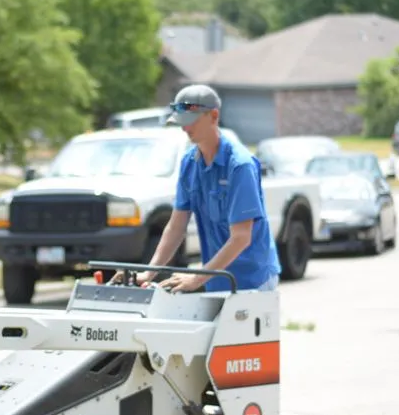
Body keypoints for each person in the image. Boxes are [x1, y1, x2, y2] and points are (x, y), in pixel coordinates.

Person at [116, 84, 281, 293]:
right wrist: (148, 273)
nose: (185, 128)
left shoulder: (240, 165)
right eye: (181, 123)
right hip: (216, 279)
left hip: (253, 281)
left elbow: (241, 237)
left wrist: (196, 279)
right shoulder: (189, 162)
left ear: (213, 116)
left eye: (190, 121)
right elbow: (176, 226)